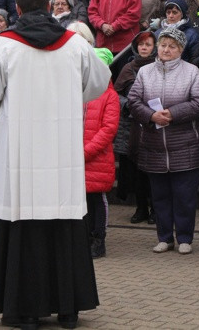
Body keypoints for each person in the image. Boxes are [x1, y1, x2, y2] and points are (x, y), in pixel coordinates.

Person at [0, 0, 111, 330]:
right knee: (64, 229)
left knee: (23, 229)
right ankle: (68, 310)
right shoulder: (75, 44)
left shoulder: (3, 46)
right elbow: (98, 83)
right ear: (50, 7)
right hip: (62, 155)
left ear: (16, 10)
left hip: (21, 156)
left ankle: (25, 311)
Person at [128, 28, 199, 255]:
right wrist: (151, 116)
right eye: (163, 45)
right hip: (154, 146)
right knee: (160, 197)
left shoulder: (191, 71)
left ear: (180, 50)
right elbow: (133, 100)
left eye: (172, 46)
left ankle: (184, 237)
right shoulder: (144, 72)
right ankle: (164, 237)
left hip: (186, 146)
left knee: (185, 197)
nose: (166, 50)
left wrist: (172, 113)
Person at [114, 31, 157, 224]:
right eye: (141, 45)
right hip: (131, 125)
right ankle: (141, 208)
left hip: (153, 124)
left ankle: (156, 208)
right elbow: (116, 94)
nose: (145, 48)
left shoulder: (160, 67)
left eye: (148, 44)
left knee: (153, 170)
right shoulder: (128, 68)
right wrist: (128, 104)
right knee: (136, 170)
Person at [82, 48, 119, 258]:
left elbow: (108, 129)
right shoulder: (77, 91)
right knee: (81, 201)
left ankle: (98, 238)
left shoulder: (110, 95)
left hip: (96, 157)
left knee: (96, 200)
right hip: (78, 156)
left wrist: (85, 151)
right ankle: (83, 237)